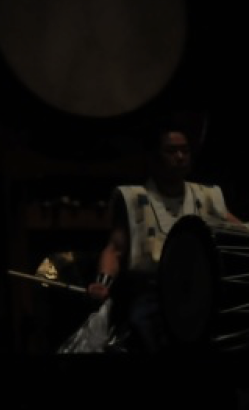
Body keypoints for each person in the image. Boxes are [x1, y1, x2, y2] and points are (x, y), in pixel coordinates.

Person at [62, 111, 238, 354]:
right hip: (153, 296)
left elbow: (243, 232)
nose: (180, 156)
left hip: (202, 296)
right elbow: (115, 248)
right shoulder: (135, 199)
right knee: (142, 321)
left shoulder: (206, 197)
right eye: (171, 151)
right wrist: (102, 283)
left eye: (185, 151)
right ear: (155, 157)